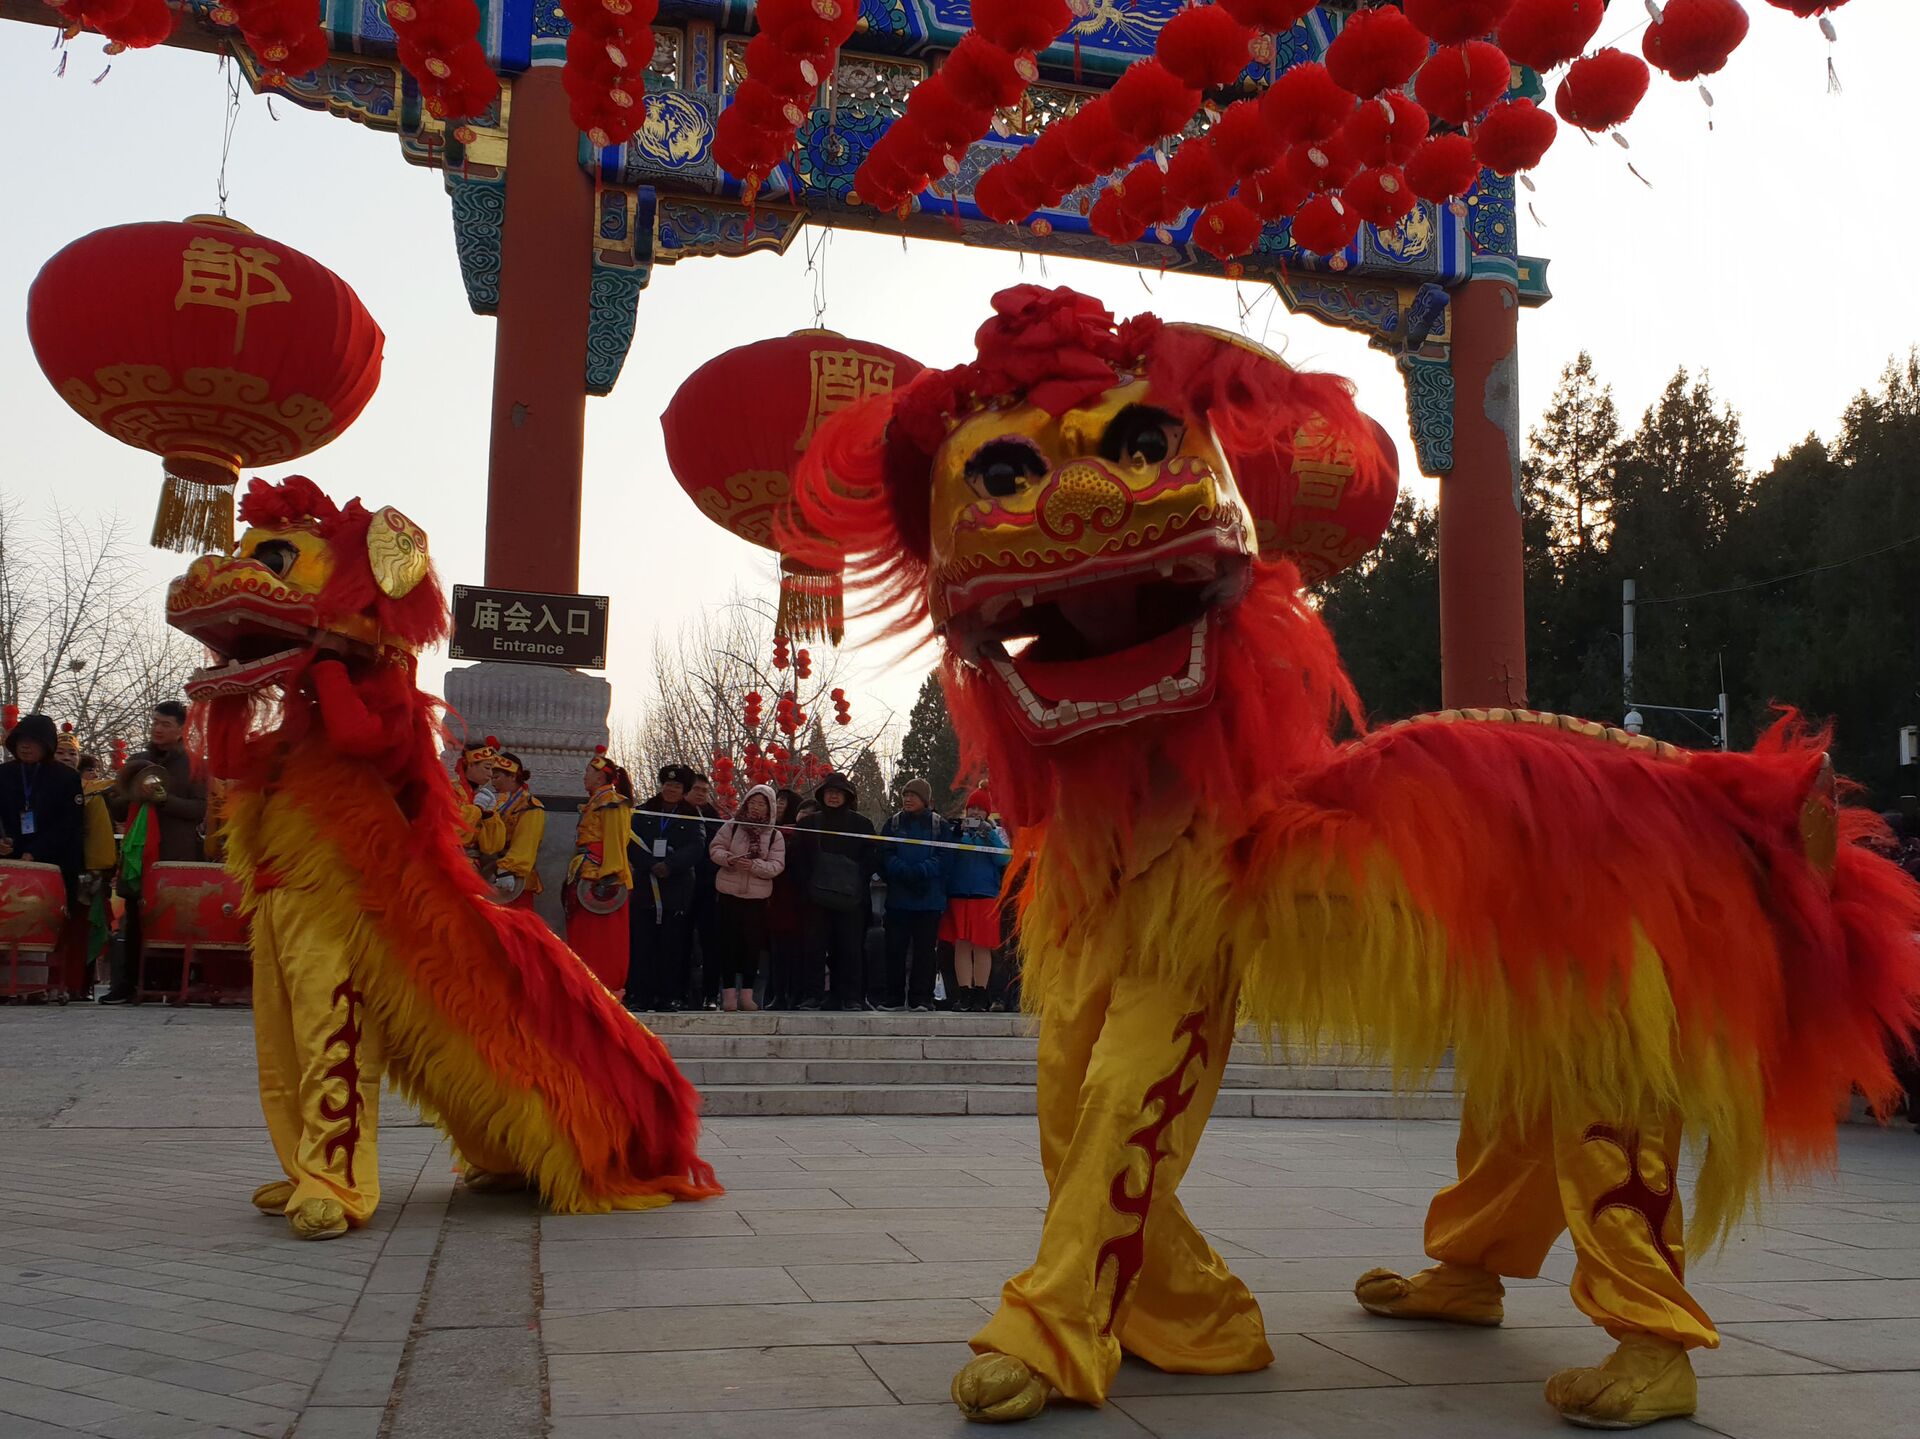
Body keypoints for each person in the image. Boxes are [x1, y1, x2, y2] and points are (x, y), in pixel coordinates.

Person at [101, 701, 206, 1003]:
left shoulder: (195, 764)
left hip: (175, 853)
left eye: (166, 724)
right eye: (155, 722)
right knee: (133, 915)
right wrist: (119, 796)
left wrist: (164, 800)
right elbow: (120, 806)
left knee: (174, 917)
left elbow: (198, 810)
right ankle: (126, 984)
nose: (158, 729)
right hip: (139, 848)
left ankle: (172, 983)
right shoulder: (138, 760)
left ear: (181, 729)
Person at [1, 713, 85, 995]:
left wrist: (35, 853)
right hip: (9, 859)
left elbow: (68, 824)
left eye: (33, 742)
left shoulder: (65, 778)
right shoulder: (3, 774)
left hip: (53, 861)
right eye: (21, 741)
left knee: (45, 922)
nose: (25, 747)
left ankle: (42, 986)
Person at [793, 771, 877, 1010]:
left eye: (838, 793)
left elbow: (871, 858)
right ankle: (813, 995)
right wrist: (808, 887)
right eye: (829, 792)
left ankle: (850, 997)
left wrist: (857, 883)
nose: (833, 797)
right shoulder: (809, 823)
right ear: (822, 795)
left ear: (847, 796)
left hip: (851, 900)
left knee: (850, 949)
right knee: (814, 949)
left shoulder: (862, 824)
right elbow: (797, 859)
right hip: (816, 899)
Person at [624, 764, 704, 1011]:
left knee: (673, 945)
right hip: (645, 887)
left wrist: (670, 865)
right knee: (642, 942)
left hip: (676, 889)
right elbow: (628, 839)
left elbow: (696, 847)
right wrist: (649, 864)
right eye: (668, 785)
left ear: (684, 790)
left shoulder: (693, 815)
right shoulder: (643, 811)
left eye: (677, 786)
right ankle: (638, 994)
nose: (671, 789)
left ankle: (668, 995)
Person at [708, 783, 787, 1011]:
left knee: (752, 947)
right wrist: (730, 859)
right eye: (752, 802)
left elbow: (776, 866)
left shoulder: (775, 835)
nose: (756, 808)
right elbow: (715, 849)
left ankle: (748, 995)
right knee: (727, 945)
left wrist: (754, 866)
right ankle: (729, 995)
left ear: (769, 808)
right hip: (728, 894)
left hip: (757, 899)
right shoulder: (732, 827)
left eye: (761, 804)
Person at [563, 746, 633, 992]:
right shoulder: (596, 802)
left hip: (602, 878)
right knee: (583, 934)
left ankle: (606, 985)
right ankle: (584, 984)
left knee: (603, 938)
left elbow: (615, 841)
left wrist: (610, 874)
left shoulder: (612, 803)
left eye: (587, 772)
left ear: (601, 776)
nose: (584, 776)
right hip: (586, 870)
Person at [879, 777, 949, 1012]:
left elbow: (944, 857)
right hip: (899, 898)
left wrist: (920, 871)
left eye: (913, 795)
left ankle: (922, 998)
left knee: (925, 952)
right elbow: (885, 854)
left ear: (925, 800)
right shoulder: (894, 823)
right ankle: (894, 997)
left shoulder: (939, 825)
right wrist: (901, 871)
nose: (908, 799)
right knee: (894, 949)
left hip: (929, 899)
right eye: (905, 795)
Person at [943, 788, 1011, 1012]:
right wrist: (957, 833)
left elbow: (1003, 859)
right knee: (961, 945)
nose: (975, 812)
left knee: (982, 947)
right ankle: (964, 992)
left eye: (980, 809)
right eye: (972, 808)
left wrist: (987, 834)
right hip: (959, 894)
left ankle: (981, 993)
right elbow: (948, 856)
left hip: (985, 895)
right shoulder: (957, 831)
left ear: (987, 812)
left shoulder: (996, 833)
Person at [684, 771, 724, 1009]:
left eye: (704, 790)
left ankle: (711, 995)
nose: (700, 794)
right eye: (696, 789)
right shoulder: (675, 813)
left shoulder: (714, 819)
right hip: (678, 887)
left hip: (709, 888)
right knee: (680, 942)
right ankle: (679, 992)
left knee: (711, 943)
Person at [763, 787, 806, 1010]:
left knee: (797, 952)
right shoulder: (766, 832)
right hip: (774, 899)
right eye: (776, 800)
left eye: (783, 802)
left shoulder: (801, 834)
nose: (779, 805)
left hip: (799, 900)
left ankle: (795, 995)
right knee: (776, 951)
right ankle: (776, 994)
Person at [489, 752, 544, 908]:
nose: (492, 782)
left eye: (497, 777)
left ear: (512, 776)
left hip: (515, 879)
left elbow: (525, 843)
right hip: (493, 874)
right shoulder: (497, 803)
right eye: (492, 777)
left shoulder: (530, 806)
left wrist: (507, 869)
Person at [453, 736, 507, 866]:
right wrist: (477, 809)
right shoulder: (449, 790)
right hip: (448, 863)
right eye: (487, 768)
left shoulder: (482, 796)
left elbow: (492, 846)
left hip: (472, 864)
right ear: (471, 765)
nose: (490, 775)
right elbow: (453, 830)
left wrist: (489, 816)